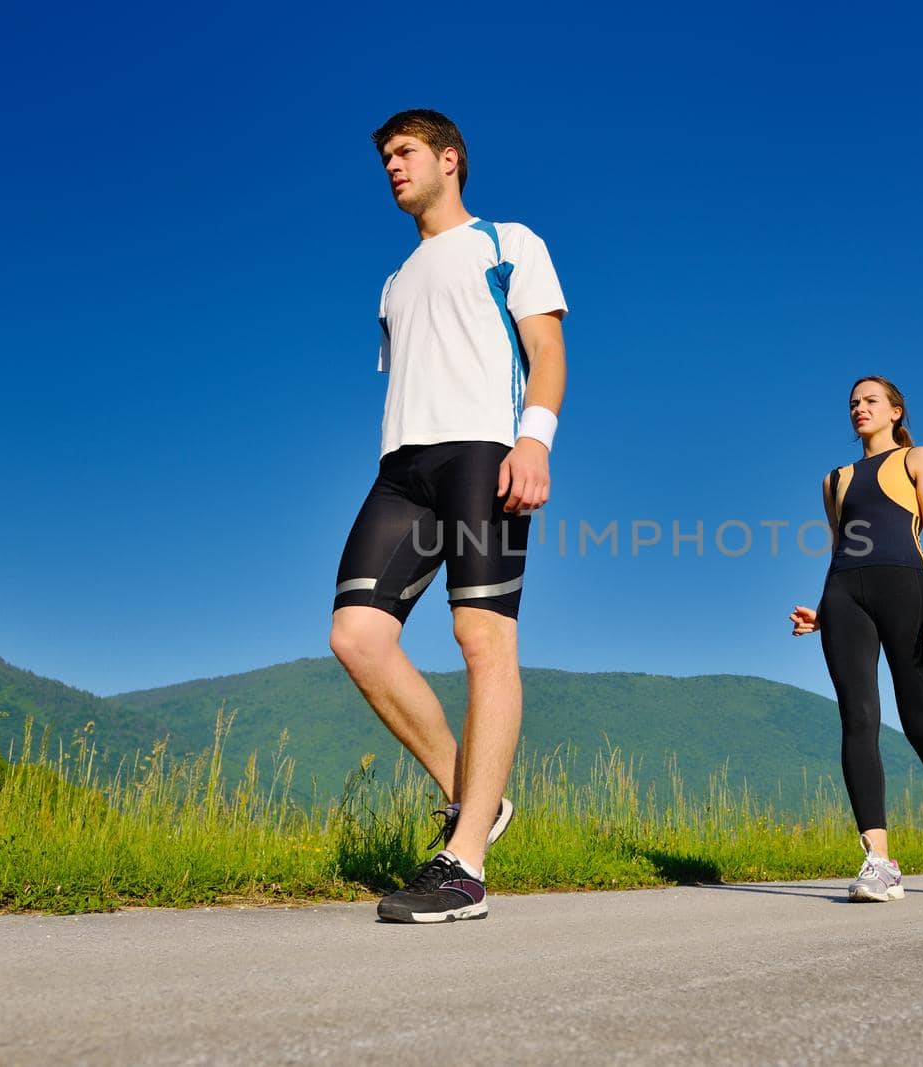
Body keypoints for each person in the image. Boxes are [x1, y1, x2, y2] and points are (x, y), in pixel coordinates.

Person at [329, 109, 567, 923]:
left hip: (482, 453)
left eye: (405, 153)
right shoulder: (394, 283)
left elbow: (547, 353)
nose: (392, 168)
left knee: (482, 637)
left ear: (449, 159)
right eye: (384, 159)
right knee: (357, 636)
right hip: (402, 467)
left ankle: (464, 864)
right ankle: (476, 799)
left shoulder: (509, 243)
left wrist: (533, 442)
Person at [789, 376, 923, 901]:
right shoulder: (835, 479)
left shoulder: (918, 459)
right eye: (853, 403)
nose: (860, 408)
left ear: (895, 411)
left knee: (922, 724)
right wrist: (823, 612)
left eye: (871, 401)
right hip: (844, 598)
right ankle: (878, 861)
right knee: (858, 720)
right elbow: (840, 548)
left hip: (910, 593)